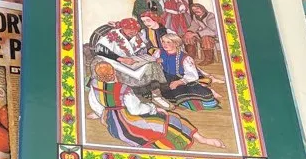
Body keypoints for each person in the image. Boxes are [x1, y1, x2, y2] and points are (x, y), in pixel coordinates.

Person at [87, 61, 224, 150]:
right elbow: (135, 110)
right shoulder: (123, 89)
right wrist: (153, 108)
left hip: (113, 124)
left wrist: (102, 115)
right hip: (129, 123)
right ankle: (202, 139)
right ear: (113, 73)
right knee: (171, 117)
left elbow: (95, 102)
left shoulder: (94, 85)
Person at [157, 33, 219, 110]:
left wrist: (179, 82)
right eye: (163, 42)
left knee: (183, 92)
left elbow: (192, 75)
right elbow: (154, 61)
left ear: (176, 44)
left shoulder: (185, 58)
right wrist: (157, 61)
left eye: (168, 42)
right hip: (165, 77)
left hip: (180, 77)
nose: (164, 44)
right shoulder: (160, 52)